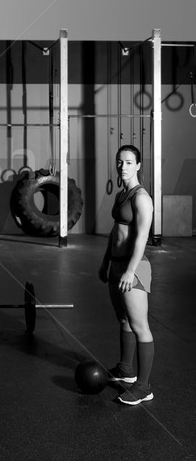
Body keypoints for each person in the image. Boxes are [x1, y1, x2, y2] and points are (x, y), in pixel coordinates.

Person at [99, 144, 154, 405]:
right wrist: (105, 261)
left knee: (140, 326)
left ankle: (143, 387)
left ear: (138, 165)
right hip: (117, 265)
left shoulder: (141, 197)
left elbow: (142, 237)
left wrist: (131, 271)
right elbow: (115, 233)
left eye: (129, 162)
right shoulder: (121, 195)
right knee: (123, 321)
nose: (123, 167)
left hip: (134, 267)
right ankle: (126, 370)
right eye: (120, 162)